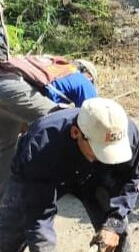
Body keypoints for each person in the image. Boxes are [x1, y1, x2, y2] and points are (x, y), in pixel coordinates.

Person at [0, 98, 139, 252]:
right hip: (46, 173)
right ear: (76, 133)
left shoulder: (127, 134)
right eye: (100, 150)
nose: (106, 156)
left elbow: (129, 181)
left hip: (96, 178)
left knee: (116, 236)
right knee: (9, 234)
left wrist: (114, 222)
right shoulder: (41, 144)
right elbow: (38, 214)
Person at [0, 56, 99, 198]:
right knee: (65, 127)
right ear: (89, 75)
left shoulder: (51, 66)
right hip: (13, 87)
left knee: (5, 148)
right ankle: (59, 183)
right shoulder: (83, 81)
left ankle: (3, 199)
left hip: (6, 82)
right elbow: (92, 121)